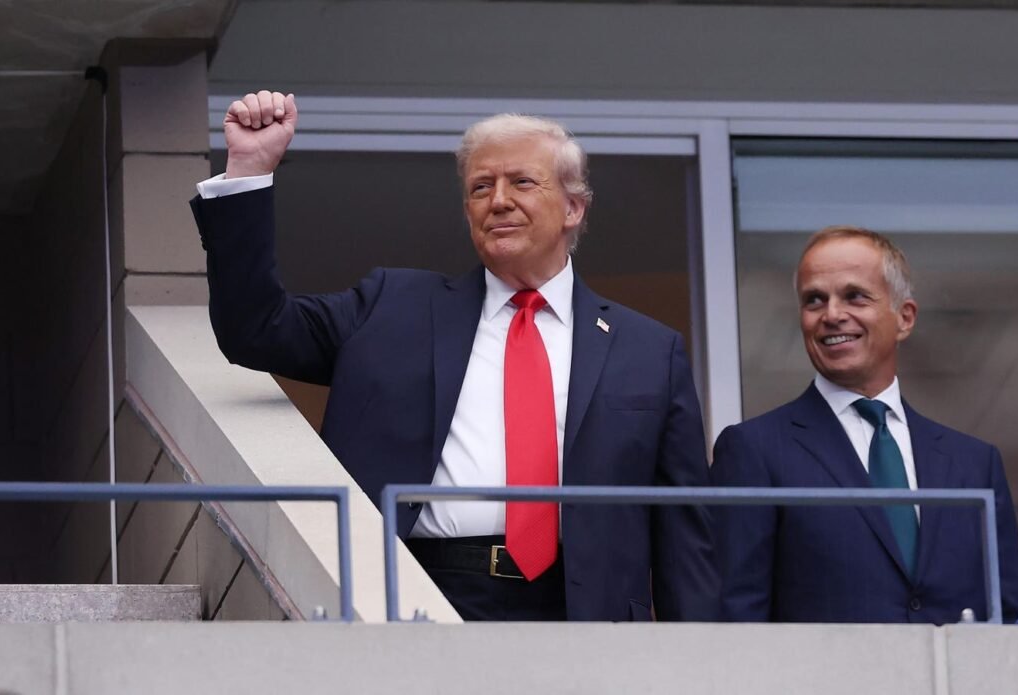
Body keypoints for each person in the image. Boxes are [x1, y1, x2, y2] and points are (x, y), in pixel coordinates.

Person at [190, 91, 716, 621]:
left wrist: (700, 665)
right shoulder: (391, 307)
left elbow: (684, 536)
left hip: (585, 614)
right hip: (418, 599)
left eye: (522, 182)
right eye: (481, 187)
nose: (499, 200)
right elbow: (255, 330)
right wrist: (249, 171)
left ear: (574, 207)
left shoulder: (650, 350)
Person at [708, 226, 1018, 623]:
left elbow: (1012, 619)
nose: (831, 314)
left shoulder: (974, 464)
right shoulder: (754, 450)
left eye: (854, 296)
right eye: (814, 300)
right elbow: (736, 619)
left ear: (905, 318)